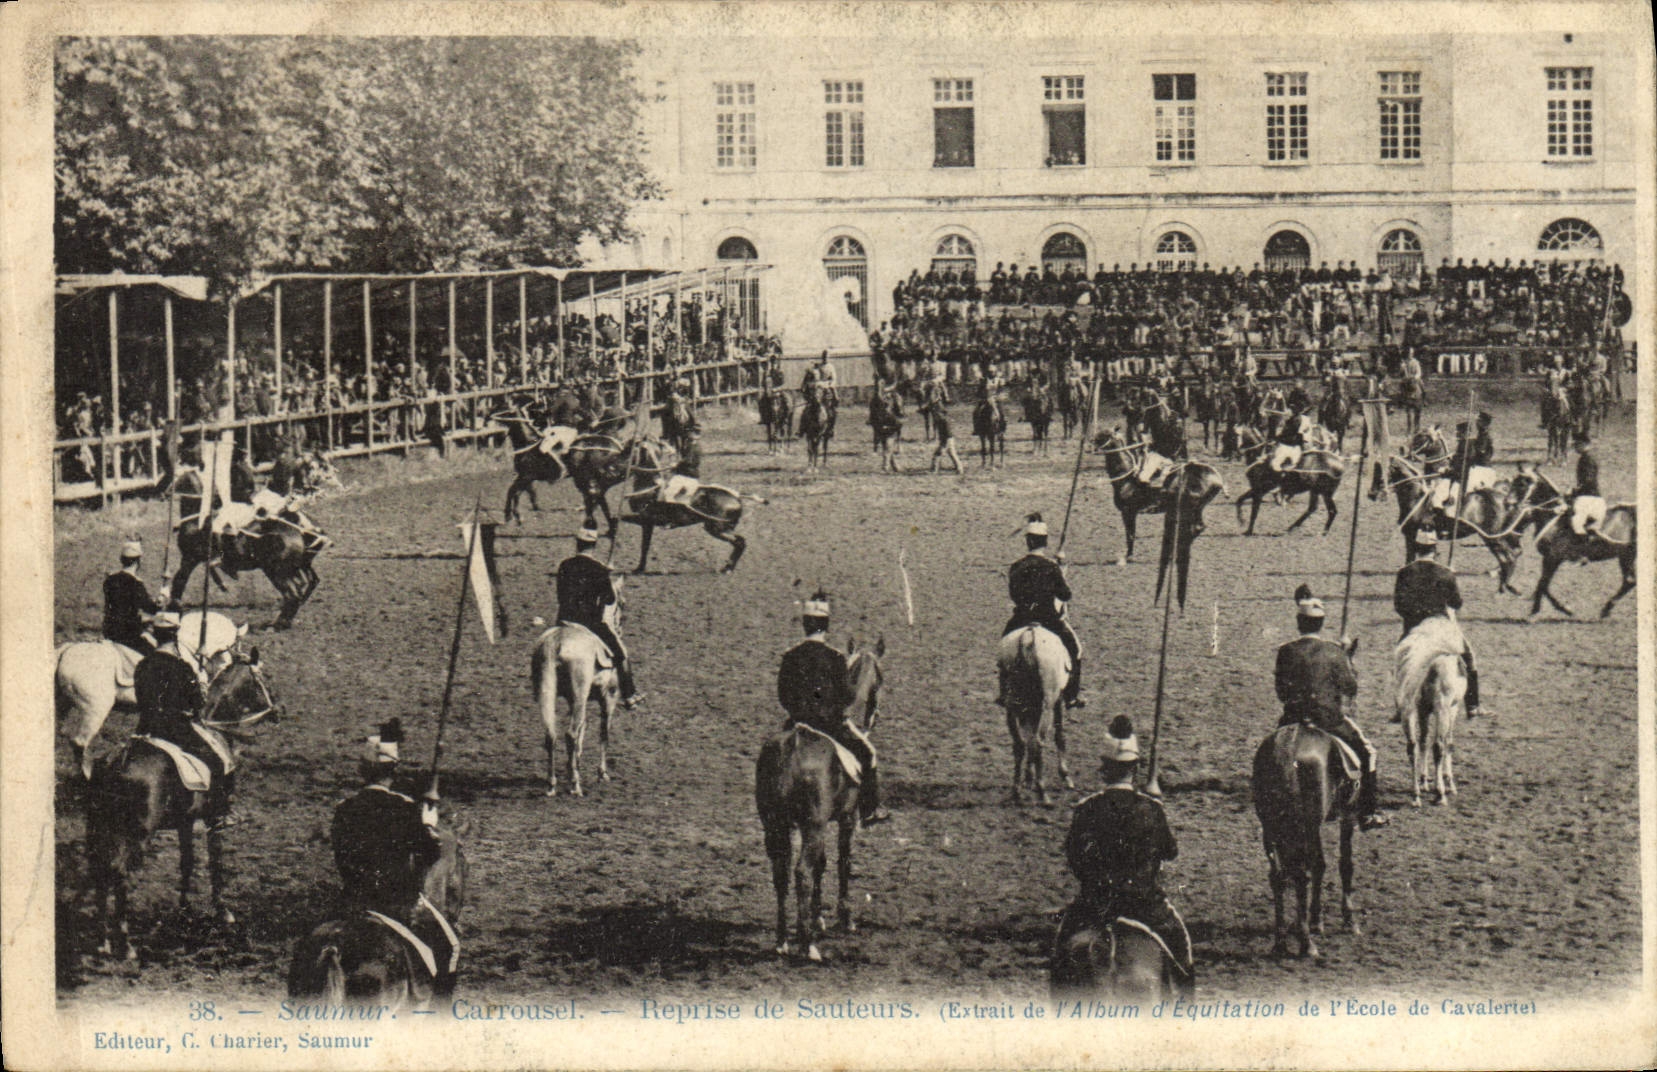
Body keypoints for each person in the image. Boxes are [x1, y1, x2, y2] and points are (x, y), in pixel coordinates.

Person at [1054, 716, 1194, 996]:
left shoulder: (1086, 809)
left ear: (1103, 769)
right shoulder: (1151, 808)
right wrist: (1156, 812)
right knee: (1183, 953)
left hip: (1096, 907)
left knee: (1060, 953)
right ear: (1136, 768)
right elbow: (1170, 851)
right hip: (1145, 908)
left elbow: (1075, 859)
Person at [330, 719, 458, 993]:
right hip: (395, 905)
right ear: (393, 771)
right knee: (450, 948)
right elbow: (430, 855)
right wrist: (428, 826)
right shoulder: (404, 809)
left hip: (351, 902)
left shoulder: (344, 809)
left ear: (362, 771)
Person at [1274, 586, 1387, 830]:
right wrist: (1346, 657)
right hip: (1328, 720)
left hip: (1292, 718)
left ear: (1298, 622)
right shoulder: (1333, 651)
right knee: (1368, 753)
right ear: (1322, 623)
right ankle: (1368, 812)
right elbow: (1350, 688)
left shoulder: (1285, 650)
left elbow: (1281, 692)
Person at [777, 591, 887, 825]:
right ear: (826, 626)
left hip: (796, 723)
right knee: (868, 754)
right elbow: (847, 696)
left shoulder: (790, 656)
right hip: (828, 726)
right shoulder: (835, 658)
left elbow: (783, 696)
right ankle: (869, 810)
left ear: (805, 625)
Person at [133, 611, 240, 826]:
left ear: (156, 635)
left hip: (145, 727)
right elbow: (197, 704)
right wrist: (200, 685)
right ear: (175, 636)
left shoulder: (143, 664)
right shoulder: (181, 667)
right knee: (218, 761)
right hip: (175, 729)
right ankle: (219, 813)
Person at [1393, 530, 1486, 718]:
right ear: (1435, 550)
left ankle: (1400, 707)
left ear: (1416, 549)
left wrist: (1413, 618)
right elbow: (1456, 603)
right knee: (1469, 658)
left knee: (1398, 664)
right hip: (1441, 625)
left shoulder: (1404, 573)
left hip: (1413, 627)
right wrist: (1451, 578)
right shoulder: (1445, 572)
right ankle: (1473, 706)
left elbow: (1398, 605)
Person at [1000, 513, 1084, 708]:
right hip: (1048, 619)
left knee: (1003, 649)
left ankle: (1004, 693)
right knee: (1075, 650)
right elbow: (1065, 595)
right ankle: (1071, 696)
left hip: (1021, 618)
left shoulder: (1016, 566)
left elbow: (1013, 595)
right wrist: (1061, 570)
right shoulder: (1051, 567)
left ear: (1028, 541)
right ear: (1045, 542)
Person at [554, 527, 643, 708]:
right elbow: (609, 599)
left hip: (563, 620)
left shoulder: (564, 565)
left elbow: (560, 594)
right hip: (589, 623)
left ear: (577, 543)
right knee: (621, 653)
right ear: (594, 545)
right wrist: (605, 578)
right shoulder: (598, 569)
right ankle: (629, 694)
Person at [103, 537, 163, 656]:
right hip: (128, 635)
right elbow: (151, 609)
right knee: (154, 656)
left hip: (109, 632)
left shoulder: (109, 580)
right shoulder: (136, 584)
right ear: (138, 562)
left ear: (122, 560)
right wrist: (162, 598)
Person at [1568, 431, 1604, 536]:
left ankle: (1583, 544)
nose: (1575, 447)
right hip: (1588, 494)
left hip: (1589, 496)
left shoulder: (1588, 459)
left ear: (1584, 444)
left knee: (1577, 523)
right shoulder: (1587, 457)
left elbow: (1588, 480)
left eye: (1576, 444)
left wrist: (1574, 491)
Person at [657, 426, 703, 507]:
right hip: (692, 477)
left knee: (667, 494)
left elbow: (688, 460)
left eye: (691, 432)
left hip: (685, 476)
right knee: (683, 500)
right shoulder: (692, 445)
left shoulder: (693, 447)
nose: (688, 434)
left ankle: (672, 510)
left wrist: (676, 465)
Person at [926, 398, 964, 474]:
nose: (935, 415)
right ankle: (959, 469)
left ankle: (934, 470)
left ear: (941, 413)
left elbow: (948, 433)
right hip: (947, 439)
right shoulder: (941, 420)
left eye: (936, 414)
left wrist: (944, 443)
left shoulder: (944, 421)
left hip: (947, 440)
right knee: (952, 454)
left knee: (937, 454)